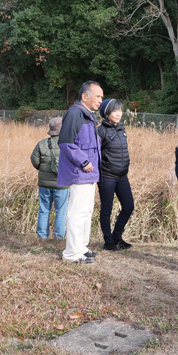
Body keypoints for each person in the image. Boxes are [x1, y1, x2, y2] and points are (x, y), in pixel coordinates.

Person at [57, 81, 104, 264]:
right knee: (77, 213)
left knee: (86, 212)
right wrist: (83, 161)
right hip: (80, 171)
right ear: (85, 96)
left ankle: (81, 248)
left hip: (89, 173)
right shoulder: (75, 113)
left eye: (101, 97)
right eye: (98, 96)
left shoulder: (87, 115)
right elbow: (66, 142)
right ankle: (72, 254)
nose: (101, 100)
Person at [97, 99, 134, 251]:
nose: (119, 113)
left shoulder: (121, 128)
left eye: (120, 110)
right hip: (107, 176)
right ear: (106, 113)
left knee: (128, 206)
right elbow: (96, 154)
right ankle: (108, 241)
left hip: (122, 176)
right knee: (107, 209)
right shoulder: (100, 131)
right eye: (114, 111)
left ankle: (117, 237)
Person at [31, 117, 69, 239]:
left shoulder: (42, 144)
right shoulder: (68, 144)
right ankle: (59, 236)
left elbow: (34, 160)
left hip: (44, 183)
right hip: (62, 184)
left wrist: (42, 169)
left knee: (44, 210)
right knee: (60, 211)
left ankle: (42, 236)